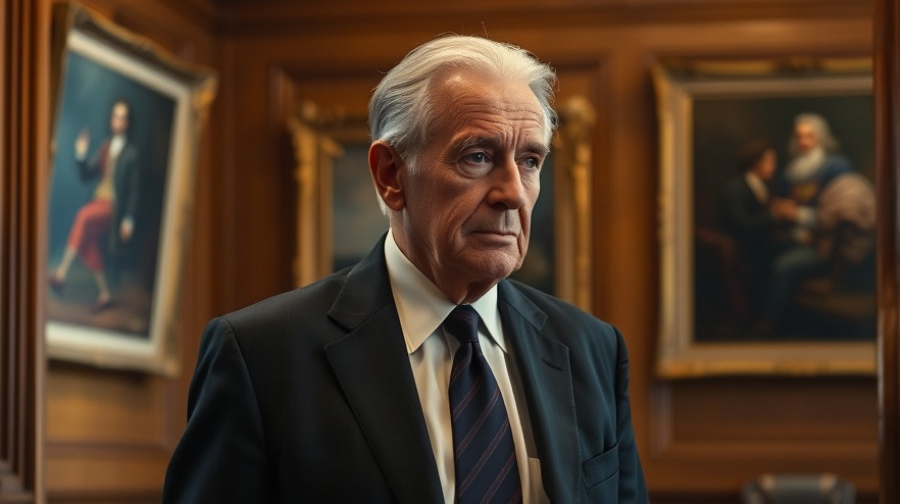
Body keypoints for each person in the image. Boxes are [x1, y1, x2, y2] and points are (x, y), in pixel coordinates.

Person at [162, 36, 648, 503]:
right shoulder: (260, 355)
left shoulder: (592, 349)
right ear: (391, 175)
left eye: (529, 160)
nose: (514, 193)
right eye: (478, 157)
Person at [759, 112, 853, 333]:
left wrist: (799, 215)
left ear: (820, 137)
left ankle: (767, 325)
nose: (803, 142)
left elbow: (842, 211)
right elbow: (781, 205)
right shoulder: (790, 171)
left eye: (809, 136)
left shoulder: (835, 168)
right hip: (794, 237)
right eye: (799, 136)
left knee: (783, 267)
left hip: (825, 244)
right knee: (761, 255)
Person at [48, 98, 140, 312]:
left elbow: (134, 189)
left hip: (113, 208)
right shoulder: (106, 147)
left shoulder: (132, 154)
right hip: (98, 201)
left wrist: (129, 219)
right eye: (116, 116)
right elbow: (86, 175)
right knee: (87, 241)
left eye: (123, 117)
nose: (118, 121)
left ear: (128, 122)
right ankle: (105, 293)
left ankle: (61, 273)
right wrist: (80, 153)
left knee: (83, 216)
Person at [717, 140, 789, 323]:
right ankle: (765, 319)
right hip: (742, 252)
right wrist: (774, 215)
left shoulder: (762, 186)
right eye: (770, 161)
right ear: (756, 162)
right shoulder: (735, 189)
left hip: (758, 247)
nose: (773, 167)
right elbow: (743, 226)